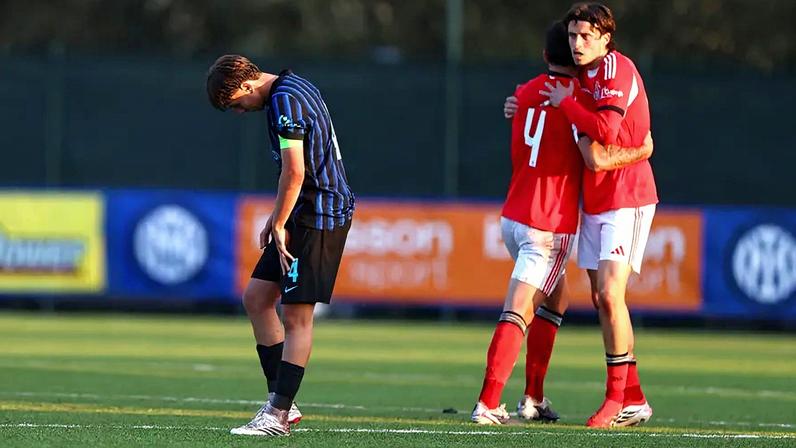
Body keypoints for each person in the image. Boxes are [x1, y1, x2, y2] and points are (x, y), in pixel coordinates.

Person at [472, 21, 653, 425]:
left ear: (543, 58)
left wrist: (516, 104)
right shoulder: (575, 100)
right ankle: (488, 402)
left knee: (558, 301)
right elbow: (595, 155)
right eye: (574, 39)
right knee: (519, 310)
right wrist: (642, 148)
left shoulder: (525, 93)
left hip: (513, 218)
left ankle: (534, 398)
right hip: (547, 224)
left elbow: (521, 110)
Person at [206, 55, 355, 436]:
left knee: (296, 317)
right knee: (256, 298)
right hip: (301, 210)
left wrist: (281, 222)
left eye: (235, 104)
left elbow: (295, 171)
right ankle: (282, 401)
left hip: (318, 214)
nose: (239, 112)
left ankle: (277, 416)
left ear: (246, 86)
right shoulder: (293, 86)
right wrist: (276, 218)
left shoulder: (285, 101)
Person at [540, 2, 658, 428]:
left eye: (586, 35)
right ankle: (635, 398)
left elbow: (606, 135)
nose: (577, 43)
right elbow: (594, 159)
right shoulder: (577, 81)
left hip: (628, 195)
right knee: (600, 299)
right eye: (572, 35)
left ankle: (615, 401)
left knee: (610, 295)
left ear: (606, 39)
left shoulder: (613, 70)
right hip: (595, 198)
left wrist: (567, 105)